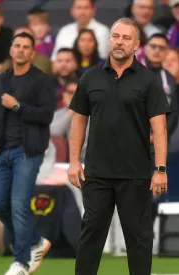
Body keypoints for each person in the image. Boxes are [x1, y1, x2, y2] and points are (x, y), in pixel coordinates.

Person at [68, 18, 169, 275]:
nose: (119, 42)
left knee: (139, 241)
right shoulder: (90, 77)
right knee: (91, 238)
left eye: (126, 38)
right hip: (97, 174)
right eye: (115, 36)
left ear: (136, 45)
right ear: (109, 39)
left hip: (135, 175)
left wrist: (160, 169)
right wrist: (73, 161)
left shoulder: (149, 80)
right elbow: (78, 121)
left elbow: (159, 129)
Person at [0, 32, 54, 275]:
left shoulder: (42, 81)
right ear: (11, 51)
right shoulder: (1, 80)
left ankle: (21, 262)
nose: (21, 50)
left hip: (28, 151)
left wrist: (17, 107)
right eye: (17, 46)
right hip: (3, 151)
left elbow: (46, 115)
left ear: (33, 53)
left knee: (19, 204)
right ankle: (35, 240)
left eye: (26, 47)